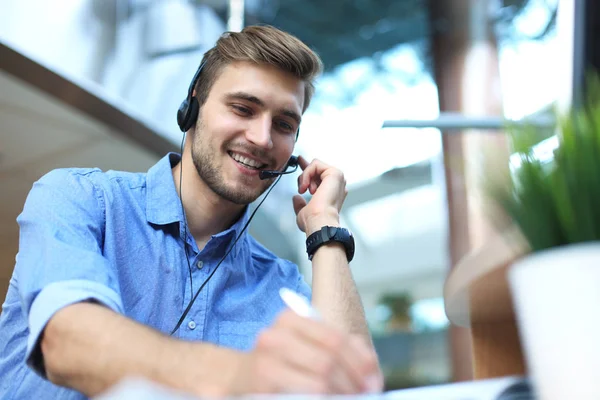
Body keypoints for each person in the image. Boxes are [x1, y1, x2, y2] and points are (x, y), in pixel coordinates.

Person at [0, 25, 382, 399]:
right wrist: (244, 376)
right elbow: (67, 343)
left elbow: (351, 390)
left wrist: (325, 227)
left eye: (284, 124)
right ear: (192, 106)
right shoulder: (78, 198)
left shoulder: (280, 284)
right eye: (243, 108)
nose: (262, 138)